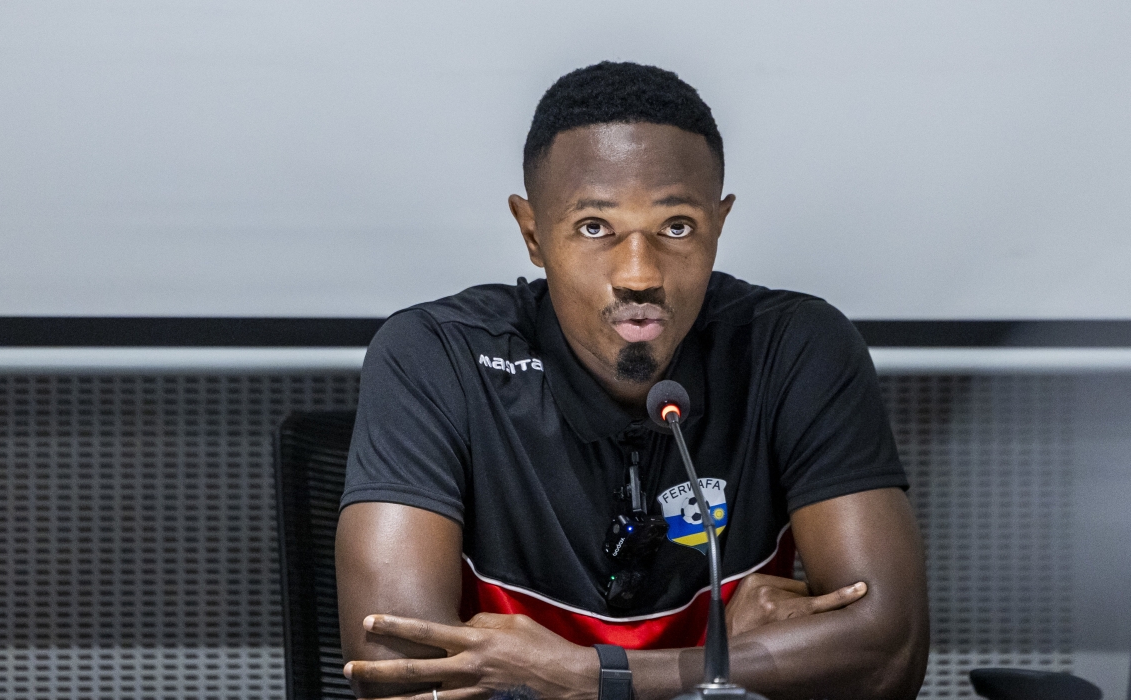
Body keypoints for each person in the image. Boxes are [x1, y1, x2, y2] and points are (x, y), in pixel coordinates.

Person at [336, 61, 929, 700]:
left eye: (676, 228)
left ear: (719, 225)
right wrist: (724, 662)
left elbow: (887, 658)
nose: (639, 273)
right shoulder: (436, 356)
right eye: (596, 228)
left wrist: (584, 677)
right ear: (533, 233)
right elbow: (404, 678)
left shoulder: (794, 348)